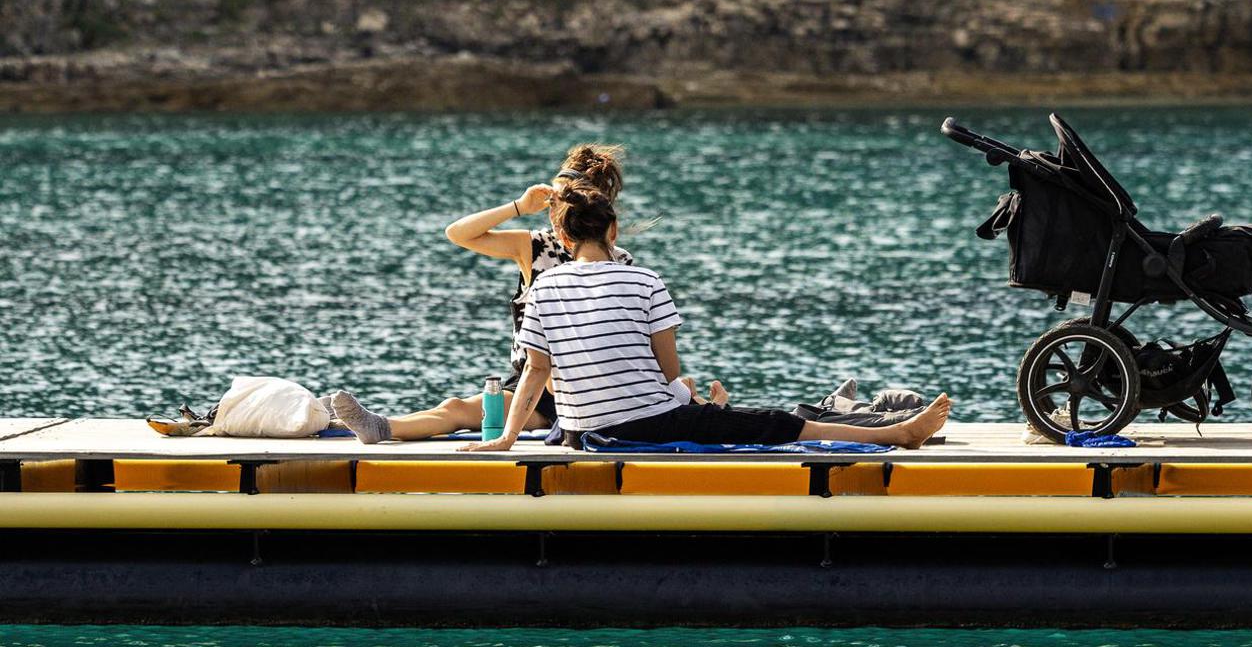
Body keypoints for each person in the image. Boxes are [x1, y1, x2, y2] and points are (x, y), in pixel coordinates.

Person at [459, 184, 950, 453]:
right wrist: (689, 401)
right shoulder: (644, 280)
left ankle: (714, 411)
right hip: (640, 425)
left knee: (714, 413)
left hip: (577, 432)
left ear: (564, 239)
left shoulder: (543, 286)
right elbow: (668, 370)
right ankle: (894, 434)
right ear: (613, 230)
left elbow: (536, 371)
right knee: (772, 422)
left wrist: (505, 440)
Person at [332, 144, 696, 444]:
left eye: (558, 202)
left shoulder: (621, 263)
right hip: (532, 375)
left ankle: (381, 427)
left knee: (460, 410)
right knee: (459, 407)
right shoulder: (536, 245)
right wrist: (518, 207)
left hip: (583, 379)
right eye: (551, 202)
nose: (552, 211)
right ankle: (379, 426)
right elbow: (457, 233)